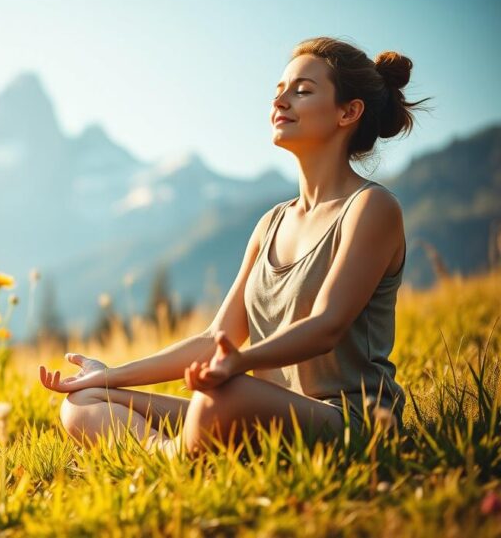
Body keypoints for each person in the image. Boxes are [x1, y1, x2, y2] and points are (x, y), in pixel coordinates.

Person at [38, 36, 432, 457]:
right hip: (251, 408)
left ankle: (178, 452)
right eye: (278, 92)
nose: (281, 102)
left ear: (348, 112)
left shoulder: (371, 208)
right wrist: (108, 376)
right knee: (82, 404)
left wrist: (239, 364)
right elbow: (216, 338)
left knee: (221, 397)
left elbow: (327, 325)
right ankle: (169, 453)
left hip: (352, 422)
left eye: (302, 91)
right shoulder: (271, 223)